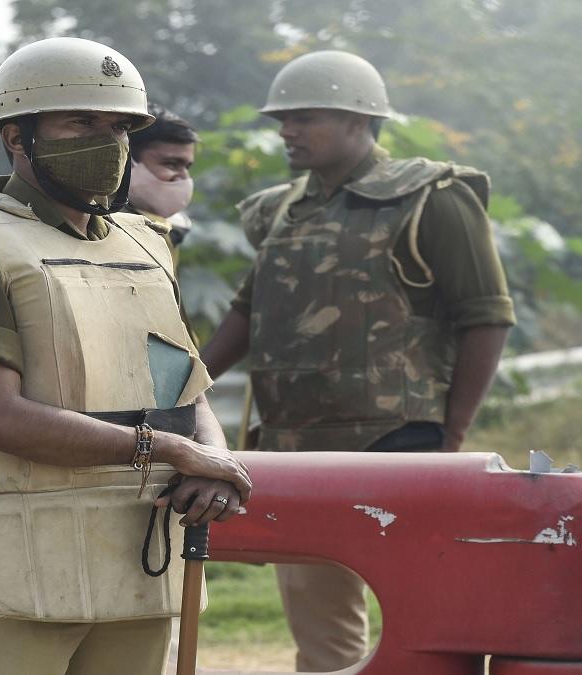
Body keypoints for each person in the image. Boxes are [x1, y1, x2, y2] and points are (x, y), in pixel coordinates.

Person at [0, 37, 252, 674]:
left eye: (119, 127)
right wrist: (172, 450)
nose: (108, 142)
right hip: (18, 548)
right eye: (81, 122)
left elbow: (186, 387)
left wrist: (212, 461)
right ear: (16, 136)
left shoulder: (145, 242)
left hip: (145, 548)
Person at [201, 50, 514, 672]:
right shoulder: (281, 210)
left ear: (359, 120)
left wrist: (450, 435)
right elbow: (247, 310)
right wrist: (186, 385)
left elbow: (486, 316)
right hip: (296, 446)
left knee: (423, 620)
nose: (287, 131)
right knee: (323, 632)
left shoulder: (433, 198)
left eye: (304, 118)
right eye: (282, 119)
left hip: (401, 441)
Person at [126, 102, 200, 266]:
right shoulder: (94, 224)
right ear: (126, 160)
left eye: (187, 167)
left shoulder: (170, 228)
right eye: (171, 164)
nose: (184, 177)